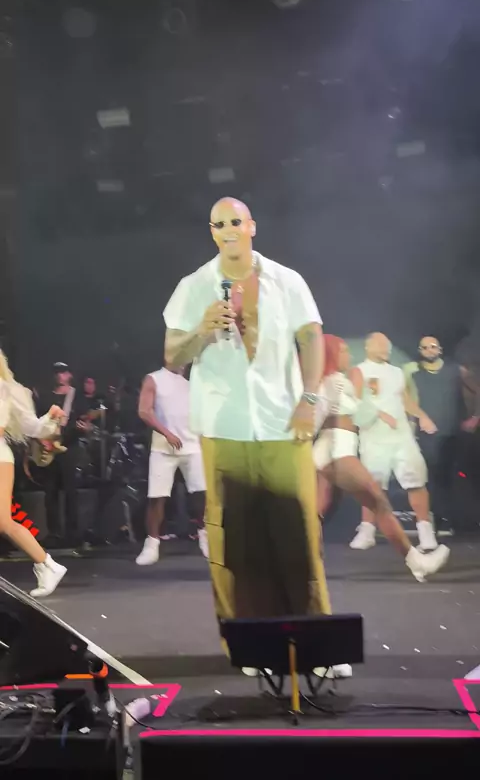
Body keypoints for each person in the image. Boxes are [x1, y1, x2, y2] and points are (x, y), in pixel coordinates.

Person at [163, 196, 332, 676]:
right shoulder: (194, 286)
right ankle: (250, 646)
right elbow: (173, 356)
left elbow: (311, 339)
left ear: (252, 226)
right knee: (234, 540)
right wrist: (201, 329)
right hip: (224, 427)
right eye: (219, 224)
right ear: (212, 232)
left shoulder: (287, 280)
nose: (228, 229)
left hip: (283, 425)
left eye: (236, 221)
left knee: (299, 532)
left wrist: (310, 398)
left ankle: (317, 645)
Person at [314, 336, 449, 581]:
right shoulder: (332, 382)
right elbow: (315, 416)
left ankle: (302, 560)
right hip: (336, 449)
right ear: (332, 355)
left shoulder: (338, 380)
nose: (348, 355)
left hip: (337, 448)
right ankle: (417, 562)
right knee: (378, 500)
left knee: (318, 509)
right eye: (343, 351)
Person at [350, 333, 438, 552]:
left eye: (388, 345)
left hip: (401, 436)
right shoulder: (359, 371)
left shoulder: (397, 372)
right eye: (381, 345)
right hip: (374, 437)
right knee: (372, 485)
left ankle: (425, 532)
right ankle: (367, 531)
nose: (386, 348)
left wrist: (422, 416)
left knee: (416, 480)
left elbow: (405, 399)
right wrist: (380, 414)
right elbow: (355, 403)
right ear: (369, 347)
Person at [0, 350, 67, 597]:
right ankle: (47, 565)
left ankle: (47, 564)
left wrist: (50, 419)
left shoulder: (3, 388)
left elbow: (23, 427)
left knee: (4, 522)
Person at [403, 337, 480, 533]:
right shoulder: (415, 375)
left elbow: (477, 388)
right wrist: (420, 419)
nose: (429, 350)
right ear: (420, 351)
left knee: (456, 477)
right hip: (428, 435)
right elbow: (407, 401)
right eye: (425, 348)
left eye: (433, 347)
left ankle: (462, 522)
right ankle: (438, 522)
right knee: (432, 478)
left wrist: (475, 418)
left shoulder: (454, 371)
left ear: (440, 349)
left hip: (453, 434)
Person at [135, 364, 207, 564]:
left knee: (201, 494)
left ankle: (204, 535)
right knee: (157, 497)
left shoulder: (193, 382)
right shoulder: (154, 378)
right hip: (163, 448)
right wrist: (167, 433)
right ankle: (152, 544)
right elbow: (144, 411)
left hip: (193, 445)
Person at [35, 363, 81, 547]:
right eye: (56, 372)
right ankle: (53, 533)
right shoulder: (46, 398)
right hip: (49, 450)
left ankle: (72, 534)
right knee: (50, 492)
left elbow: (84, 420)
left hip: (69, 449)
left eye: (62, 372)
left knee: (71, 492)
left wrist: (84, 428)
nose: (59, 375)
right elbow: (37, 423)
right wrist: (42, 441)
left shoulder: (75, 397)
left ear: (69, 375)